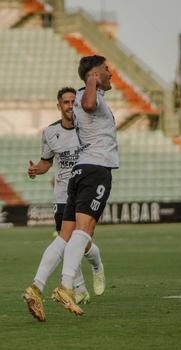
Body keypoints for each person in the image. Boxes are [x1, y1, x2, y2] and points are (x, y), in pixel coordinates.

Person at [23, 87, 101, 322]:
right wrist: (37, 169)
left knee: (82, 243)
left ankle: (96, 268)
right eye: (65, 102)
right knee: (66, 240)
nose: (69, 105)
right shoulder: (49, 132)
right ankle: (77, 288)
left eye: (72, 101)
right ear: (59, 106)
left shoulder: (87, 128)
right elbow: (47, 162)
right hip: (63, 196)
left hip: (85, 192)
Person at [50, 55, 117, 316]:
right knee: (76, 236)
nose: (111, 72)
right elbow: (89, 103)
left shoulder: (88, 102)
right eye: (106, 69)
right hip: (85, 175)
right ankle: (72, 287)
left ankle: (93, 270)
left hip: (85, 171)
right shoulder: (88, 97)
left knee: (80, 238)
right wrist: (92, 80)